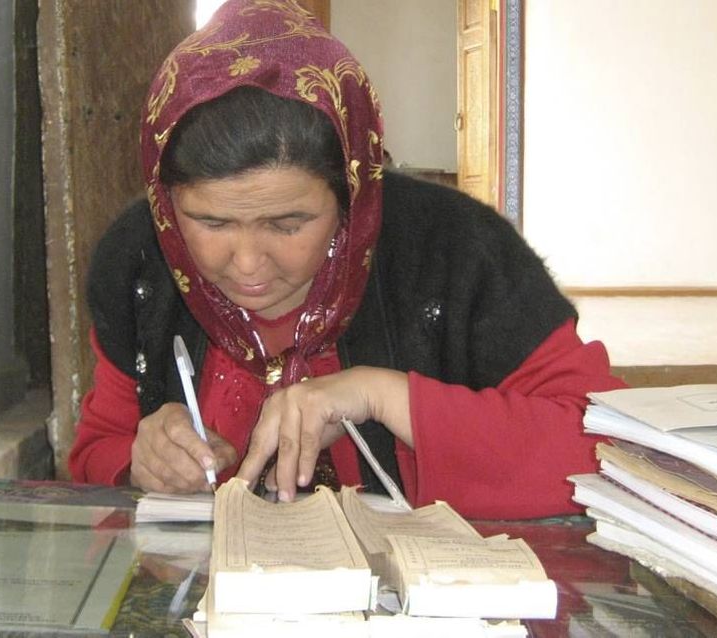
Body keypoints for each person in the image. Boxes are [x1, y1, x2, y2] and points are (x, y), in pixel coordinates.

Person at [68, 0, 624, 519]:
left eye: (289, 224)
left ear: (353, 194)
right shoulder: (141, 258)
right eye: (210, 223)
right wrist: (141, 460)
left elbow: (609, 452)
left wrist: (378, 395)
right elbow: (97, 451)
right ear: (167, 206)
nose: (246, 264)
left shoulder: (455, 250)